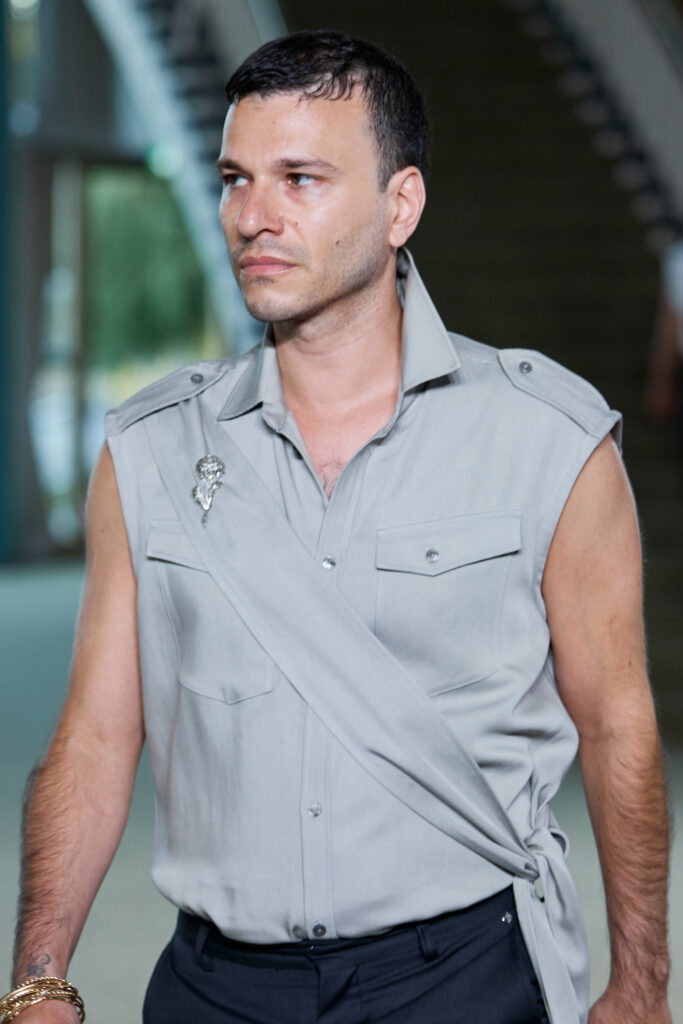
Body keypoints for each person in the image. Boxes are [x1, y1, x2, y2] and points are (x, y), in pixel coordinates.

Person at [5, 30, 670, 1024]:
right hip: (215, 986)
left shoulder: (546, 441)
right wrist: (38, 977)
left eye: (300, 179)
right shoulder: (151, 451)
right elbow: (96, 737)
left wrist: (641, 984)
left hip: (463, 976)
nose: (252, 216)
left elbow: (617, 725)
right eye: (235, 179)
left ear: (400, 206)